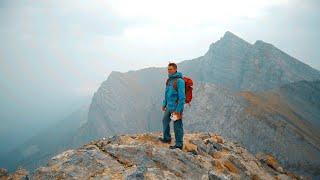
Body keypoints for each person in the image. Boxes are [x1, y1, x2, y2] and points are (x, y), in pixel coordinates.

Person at [159, 62, 186, 150]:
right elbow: (166, 94)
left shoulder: (180, 81)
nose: (169, 71)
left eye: (170, 69)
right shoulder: (169, 80)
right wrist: (164, 104)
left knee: (177, 125)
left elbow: (182, 98)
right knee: (165, 121)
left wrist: (178, 110)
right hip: (169, 107)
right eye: (168, 69)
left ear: (175, 69)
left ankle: (179, 144)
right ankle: (167, 138)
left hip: (176, 108)